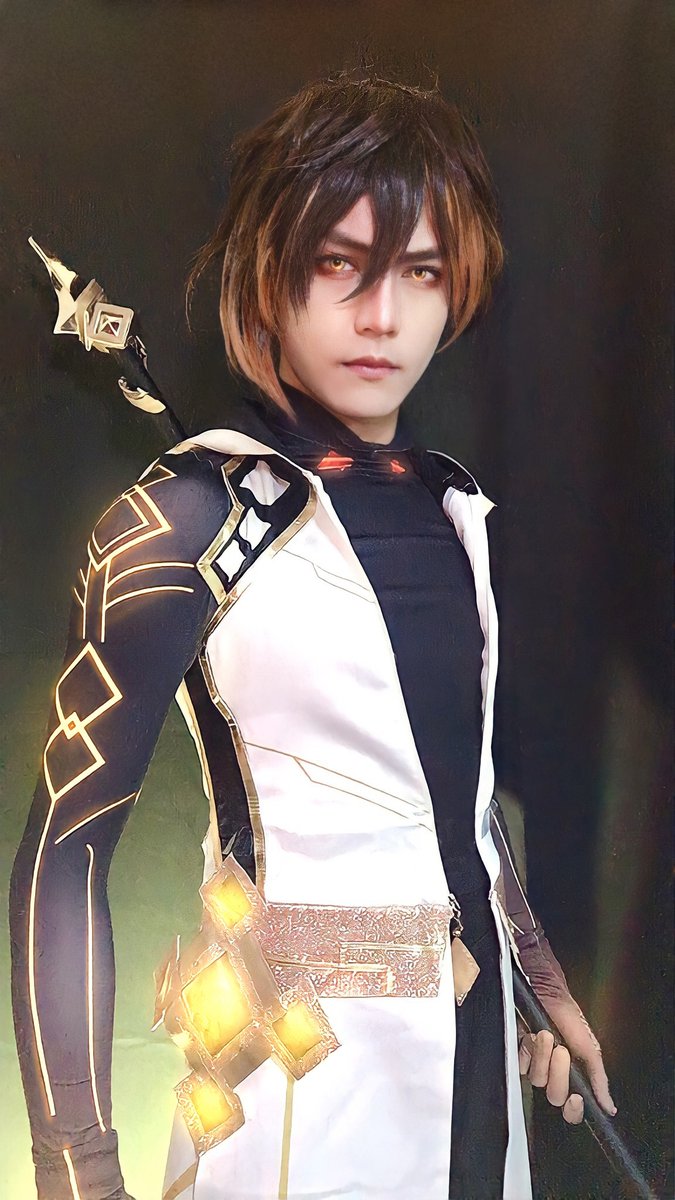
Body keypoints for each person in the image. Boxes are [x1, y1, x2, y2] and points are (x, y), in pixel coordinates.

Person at [9, 72, 616, 1200]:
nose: (382, 316)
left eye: (420, 271)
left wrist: (538, 979)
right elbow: (64, 854)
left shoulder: (450, 509)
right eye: (341, 264)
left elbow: (451, 797)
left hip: (475, 1065)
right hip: (294, 1086)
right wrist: (74, 1168)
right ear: (267, 273)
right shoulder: (186, 519)